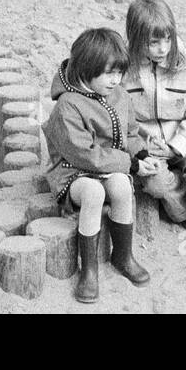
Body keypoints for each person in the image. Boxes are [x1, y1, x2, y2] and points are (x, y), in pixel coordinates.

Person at [44, 27, 154, 304]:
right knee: (94, 193)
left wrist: (140, 155)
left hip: (110, 166)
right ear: (85, 69)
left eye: (119, 73)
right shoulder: (67, 106)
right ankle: (89, 270)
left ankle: (123, 255)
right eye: (108, 73)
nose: (115, 80)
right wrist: (128, 164)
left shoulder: (118, 94)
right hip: (73, 170)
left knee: (120, 186)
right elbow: (84, 154)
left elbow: (130, 132)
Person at [124, 0, 186, 236]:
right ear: (136, 39)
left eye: (168, 39)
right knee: (155, 184)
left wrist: (177, 146)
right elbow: (119, 115)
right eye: (153, 42)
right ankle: (184, 211)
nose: (163, 48)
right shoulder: (124, 65)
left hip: (184, 137)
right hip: (146, 144)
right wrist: (140, 147)